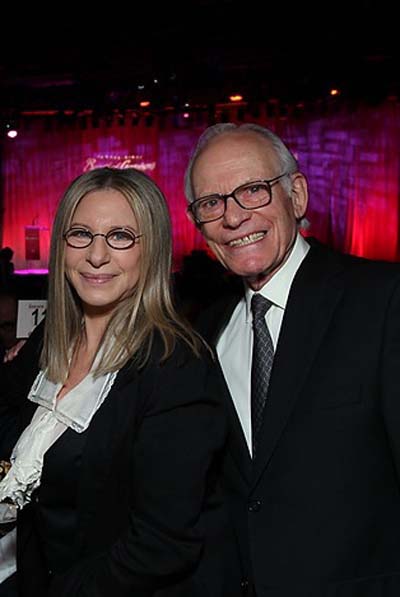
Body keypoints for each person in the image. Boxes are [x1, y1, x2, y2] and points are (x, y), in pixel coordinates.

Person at [0, 167, 240, 597]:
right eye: (81, 234)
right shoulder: (47, 341)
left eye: (121, 236)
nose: (96, 255)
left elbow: (161, 545)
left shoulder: (176, 366)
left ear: (152, 251)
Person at [184, 122, 400, 596]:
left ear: (296, 196)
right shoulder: (204, 334)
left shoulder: (383, 301)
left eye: (253, 191)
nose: (233, 217)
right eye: (211, 203)